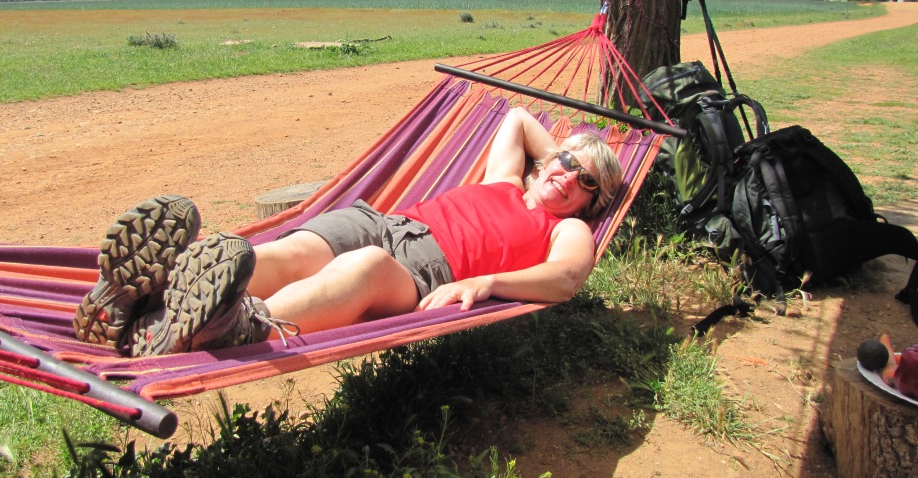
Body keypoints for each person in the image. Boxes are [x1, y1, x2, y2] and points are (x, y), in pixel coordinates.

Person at [74, 107, 622, 356]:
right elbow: (518, 117)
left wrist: (488, 283)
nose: (568, 176)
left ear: (593, 201)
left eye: (585, 180)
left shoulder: (566, 228)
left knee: (364, 268)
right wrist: (568, 156)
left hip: (424, 270)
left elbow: (566, 279)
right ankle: (152, 296)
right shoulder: (505, 178)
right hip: (382, 222)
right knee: (290, 251)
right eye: (565, 162)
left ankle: (240, 327)